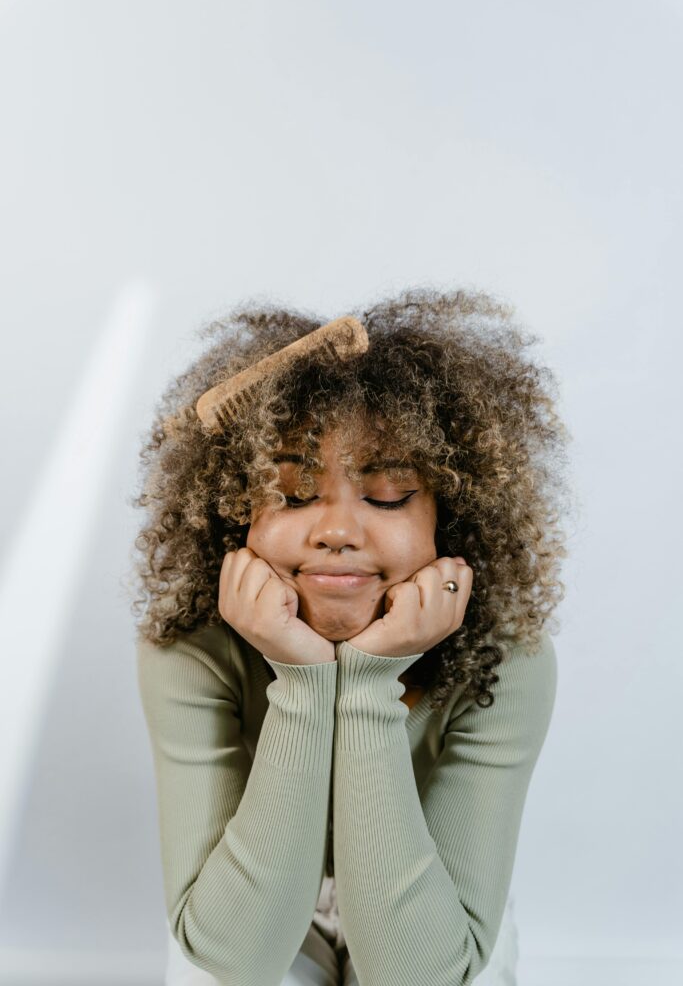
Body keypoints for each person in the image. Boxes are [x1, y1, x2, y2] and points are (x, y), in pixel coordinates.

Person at [132, 287, 570, 985]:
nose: (336, 531)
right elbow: (233, 960)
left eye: (388, 497)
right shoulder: (191, 648)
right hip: (254, 897)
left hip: (423, 894)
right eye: (293, 494)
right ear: (234, 513)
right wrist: (303, 677)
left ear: (448, 518)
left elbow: (420, 971)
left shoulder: (506, 657)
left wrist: (367, 677)